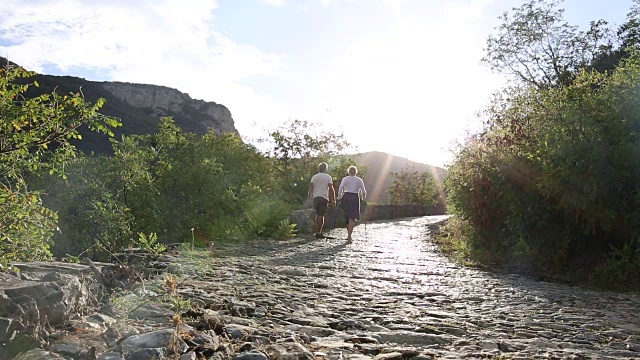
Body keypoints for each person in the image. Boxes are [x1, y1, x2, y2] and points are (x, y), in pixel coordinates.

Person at [337, 166, 366, 241]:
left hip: (346, 197)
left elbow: (341, 187)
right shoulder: (359, 180)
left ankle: (349, 235)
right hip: (354, 197)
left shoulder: (345, 179)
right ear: (355, 172)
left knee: (347, 216)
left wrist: (339, 197)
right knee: (352, 217)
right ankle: (349, 235)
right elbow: (363, 191)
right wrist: (363, 198)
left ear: (348, 171)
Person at [307, 162, 336, 238]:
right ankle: (319, 232)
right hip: (324, 197)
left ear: (319, 168)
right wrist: (333, 199)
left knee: (317, 214)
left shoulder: (314, 177)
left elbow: (311, 187)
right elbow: (331, 188)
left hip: (315, 197)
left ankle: (317, 230)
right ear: (326, 169)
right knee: (321, 215)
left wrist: (309, 196)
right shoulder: (328, 177)